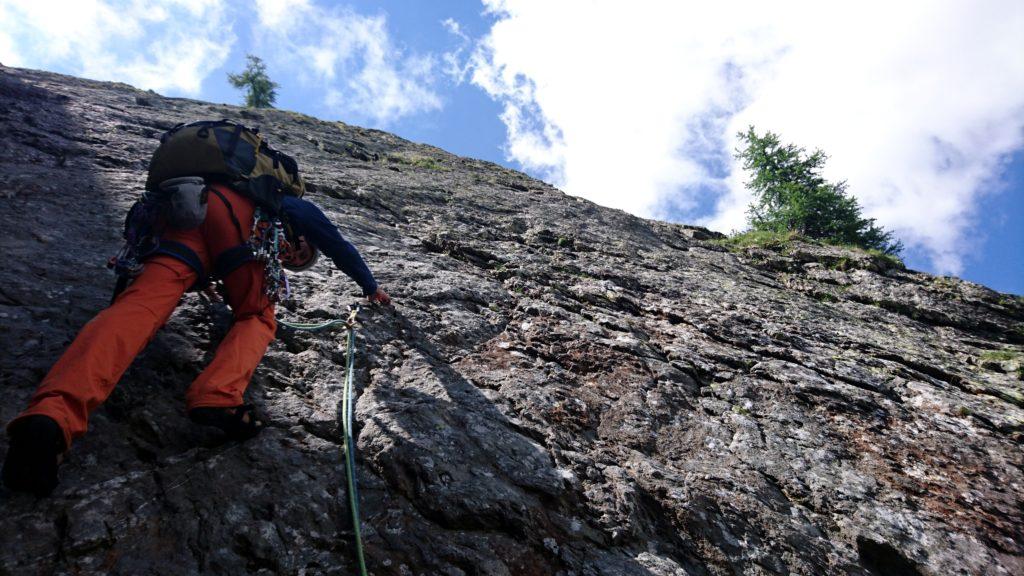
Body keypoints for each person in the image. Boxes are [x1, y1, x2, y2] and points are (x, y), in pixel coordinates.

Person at [2, 182, 389, 496]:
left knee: (136, 309)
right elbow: (339, 246)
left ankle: (52, 415)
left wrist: (205, 277)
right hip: (242, 223)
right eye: (296, 255)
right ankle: (218, 395)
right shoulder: (286, 203)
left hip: (187, 216)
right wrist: (371, 287)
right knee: (257, 316)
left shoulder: (221, 177)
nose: (289, 259)